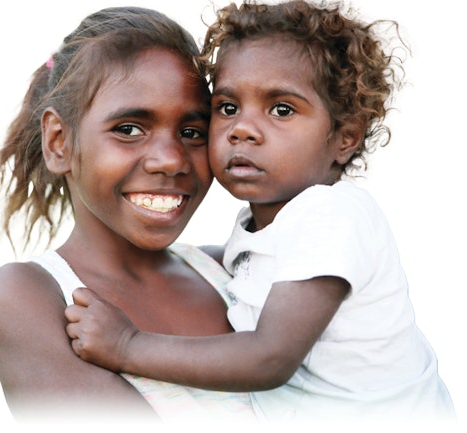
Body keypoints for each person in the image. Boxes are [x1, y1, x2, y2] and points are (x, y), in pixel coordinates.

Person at [65, 0, 456, 424]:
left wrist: (128, 346)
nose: (242, 128)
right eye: (228, 107)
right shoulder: (259, 230)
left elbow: (270, 357)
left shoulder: (334, 214)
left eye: (281, 109)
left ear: (344, 138)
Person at [0, 6, 256, 423]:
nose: (170, 160)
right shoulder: (31, 297)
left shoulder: (236, 271)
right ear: (59, 142)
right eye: (129, 129)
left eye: (191, 132)